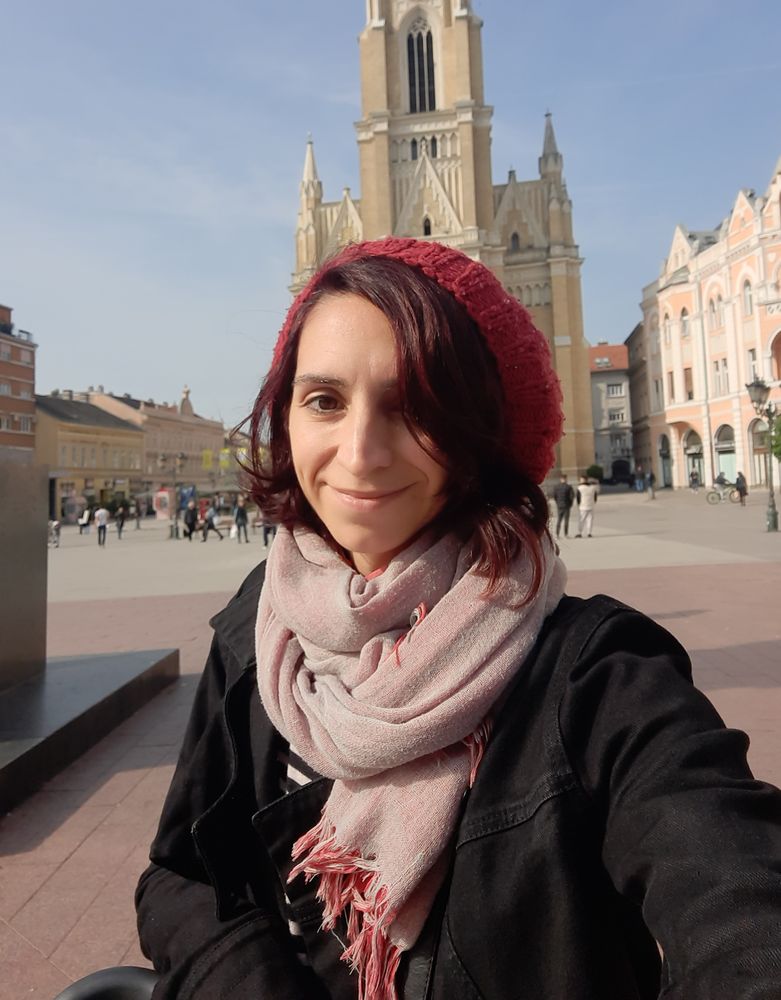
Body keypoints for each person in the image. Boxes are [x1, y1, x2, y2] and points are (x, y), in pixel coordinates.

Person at [136, 238, 781, 1000]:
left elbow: (735, 901)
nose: (360, 453)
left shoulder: (595, 677)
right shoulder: (262, 626)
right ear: (286, 418)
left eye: (412, 406)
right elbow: (181, 875)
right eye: (324, 401)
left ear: (478, 431)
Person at [551, 472, 575, 538]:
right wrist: (570, 504)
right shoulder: (569, 487)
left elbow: (554, 496)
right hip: (566, 505)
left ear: (560, 479)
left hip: (559, 505)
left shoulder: (556, 487)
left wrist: (557, 503)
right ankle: (566, 534)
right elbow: (572, 497)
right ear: (566, 479)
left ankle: (557, 534)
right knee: (566, 520)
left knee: (559, 520)